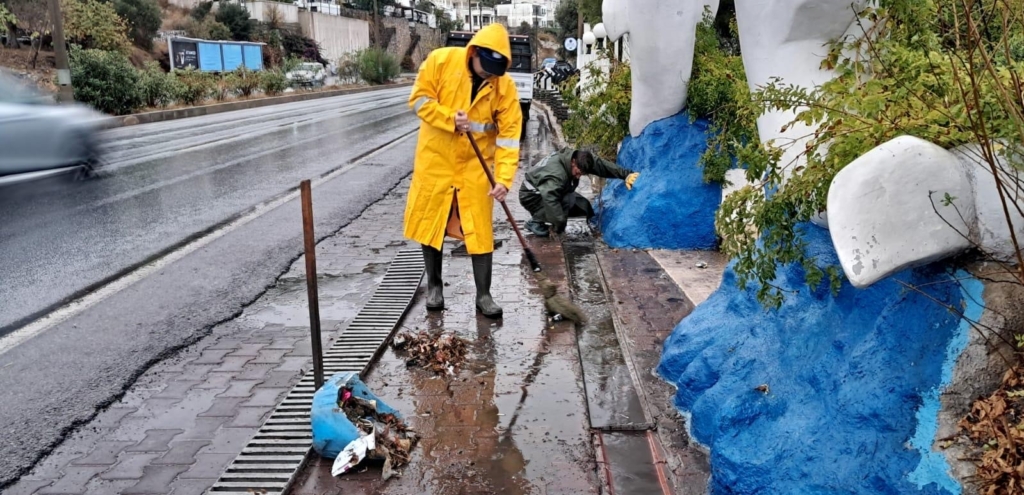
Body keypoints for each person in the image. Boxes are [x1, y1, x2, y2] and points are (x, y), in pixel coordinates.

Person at [404, 24, 523, 319]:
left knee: (480, 230)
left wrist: (504, 180)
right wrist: (448, 118)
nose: (489, 74)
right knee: (433, 225)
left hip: (475, 166)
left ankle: (484, 295)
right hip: (436, 161)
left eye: (497, 70)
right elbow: (418, 100)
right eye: (486, 67)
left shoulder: (504, 87)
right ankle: (434, 287)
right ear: (473, 53)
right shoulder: (440, 61)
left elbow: (509, 138)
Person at [519, 148, 639, 236]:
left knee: (582, 205)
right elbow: (550, 199)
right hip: (530, 195)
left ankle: (545, 218)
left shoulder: (575, 158)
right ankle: (535, 222)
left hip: (545, 189)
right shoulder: (557, 175)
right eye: (577, 173)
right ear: (573, 162)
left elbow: (599, 164)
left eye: (582, 174)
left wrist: (625, 174)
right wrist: (559, 227)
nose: (578, 177)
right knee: (565, 203)